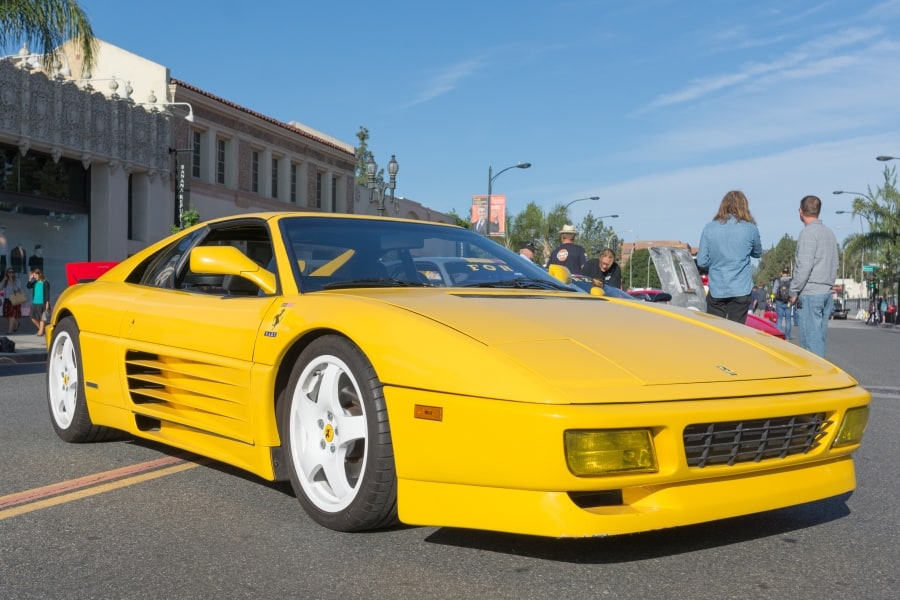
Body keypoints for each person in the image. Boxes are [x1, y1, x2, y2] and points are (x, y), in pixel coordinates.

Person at [696, 190, 762, 324]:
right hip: (741, 289)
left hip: (717, 289)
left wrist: (716, 263)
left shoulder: (709, 228)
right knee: (737, 333)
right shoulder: (750, 229)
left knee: (716, 332)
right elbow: (757, 253)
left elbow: (702, 261)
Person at [789, 195, 838, 357]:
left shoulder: (808, 234)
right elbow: (835, 263)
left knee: (810, 344)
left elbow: (804, 267)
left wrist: (793, 291)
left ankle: (817, 379)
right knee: (819, 338)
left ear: (801, 212)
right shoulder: (829, 234)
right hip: (826, 292)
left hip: (811, 293)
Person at [26, 268, 51, 337]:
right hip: (35, 303)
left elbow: (47, 294)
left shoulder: (45, 282)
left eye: (35, 275)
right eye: (33, 275)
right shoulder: (34, 282)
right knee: (32, 317)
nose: (34, 277)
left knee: (42, 318)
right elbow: (28, 286)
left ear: (39, 274)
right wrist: (30, 279)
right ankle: (42, 329)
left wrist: (47, 303)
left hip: (42, 302)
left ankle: (40, 332)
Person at [773, 266, 794, 340]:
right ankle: (788, 336)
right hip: (788, 302)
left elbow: (774, 292)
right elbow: (792, 292)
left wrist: (773, 298)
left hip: (779, 302)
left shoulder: (778, 281)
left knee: (779, 319)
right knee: (788, 320)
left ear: (781, 273)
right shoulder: (791, 281)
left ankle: (778, 336)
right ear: (788, 273)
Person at [2, 268, 25, 334]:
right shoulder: (5, 280)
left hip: (14, 299)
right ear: (7, 273)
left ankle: (10, 331)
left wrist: (12, 282)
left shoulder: (17, 280)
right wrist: (4, 280)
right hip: (7, 299)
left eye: (12, 272)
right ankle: (16, 323)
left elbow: (17, 290)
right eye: (9, 272)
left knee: (11, 315)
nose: (11, 274)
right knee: (6, 315)